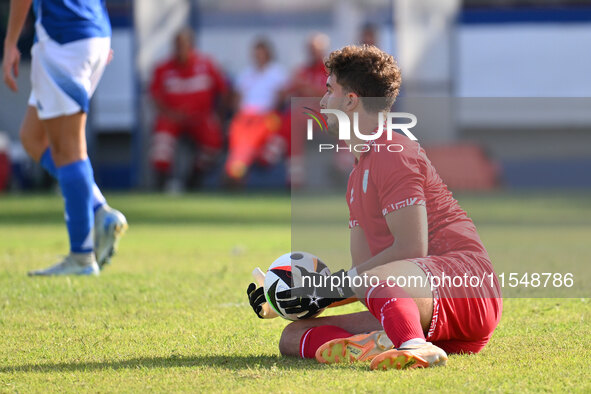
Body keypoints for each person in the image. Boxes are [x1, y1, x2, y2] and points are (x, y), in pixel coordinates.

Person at [247, 45, 502, 370]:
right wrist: (287, 298)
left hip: (468, 286)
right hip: (420, 303)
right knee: (292, 337)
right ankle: (384, 341)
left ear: (351, 100)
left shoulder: (393, 152)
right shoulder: (357, 174)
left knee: (375, 278)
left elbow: (411, 248)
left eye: (329, 90)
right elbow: (363, 271)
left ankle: (412, 345)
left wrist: (326, 287)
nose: (322, 102)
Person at [2, 0, 127, 275]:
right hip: (87, 35)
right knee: (33, 138)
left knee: (68, 149)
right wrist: (99, 32)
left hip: (63, 40)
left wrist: (10, 42)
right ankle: (98, 210)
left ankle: (81, 257)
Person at [149, 27, 228, 191]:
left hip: (200, 117)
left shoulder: (206, 65)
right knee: (162, 137)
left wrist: (219, 115)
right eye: (177, 46)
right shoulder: (163, 69)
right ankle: (162, 183)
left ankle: (194, 178)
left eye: (184, 45)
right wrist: (169, 114)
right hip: (172, 117)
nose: (180, 50)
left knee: (214, 142)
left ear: (191, 45)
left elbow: (224, 91)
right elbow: (155, 97)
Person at [224, 38, 287, 185]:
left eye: (262, 54)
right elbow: (237, 98)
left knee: (250, 140)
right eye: (256, 54)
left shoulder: (277, 73)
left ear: (268, 54)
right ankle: (236, 170)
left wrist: (269, 114)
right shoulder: (246, 73)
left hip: (266, 117)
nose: (258, 57)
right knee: (239, 139)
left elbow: (281, 98)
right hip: (245, 116)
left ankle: (236, 171)